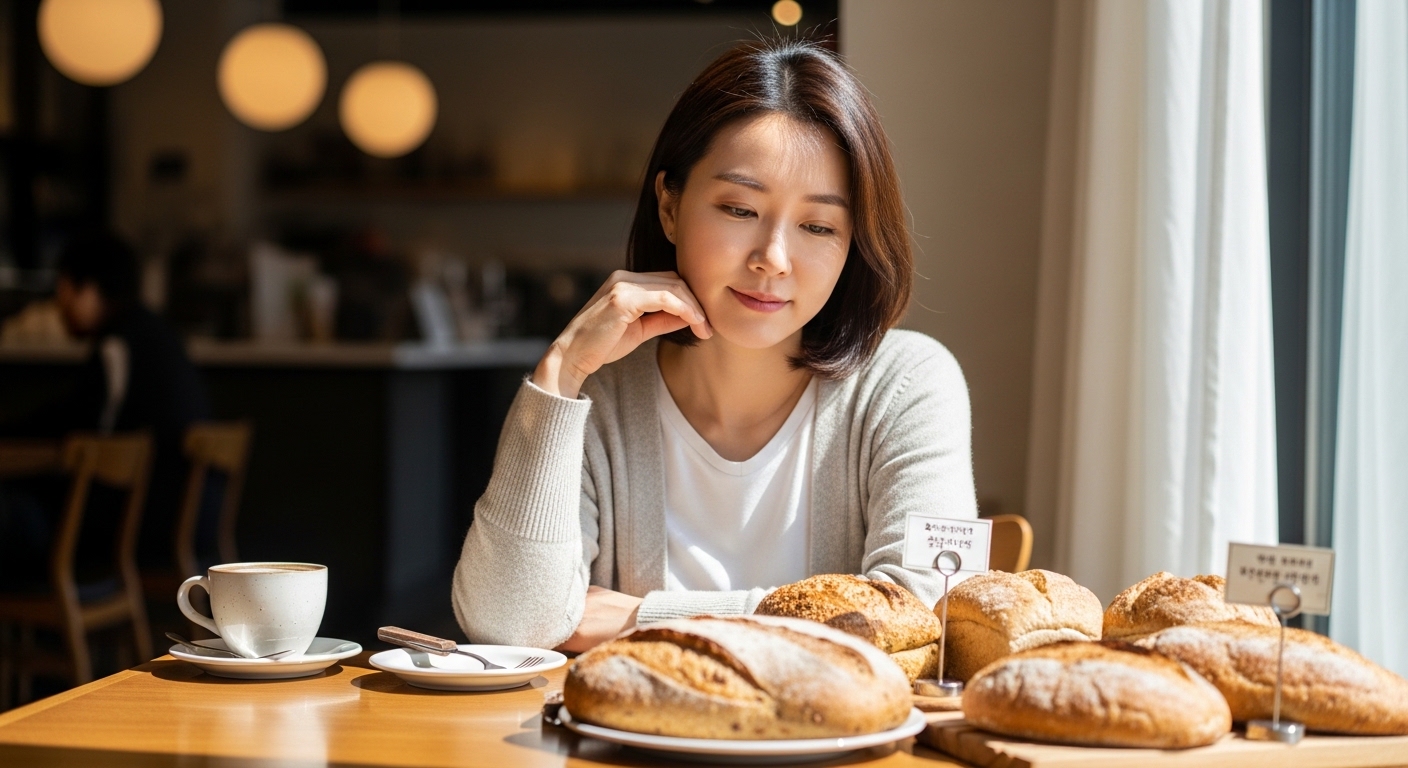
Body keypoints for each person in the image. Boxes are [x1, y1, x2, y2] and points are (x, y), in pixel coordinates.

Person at [452, 39, 978, 652]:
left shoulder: (908, 382)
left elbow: (920, 613)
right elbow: (507, 623)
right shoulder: (597, 389)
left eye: (817, 226)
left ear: (851, 242)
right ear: (670, 207)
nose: (772, 260)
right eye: (737, 208)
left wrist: (641, 617)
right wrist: (562, 372)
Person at [0, 231, 211, 583]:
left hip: (141, 527)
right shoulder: (157, 335)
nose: (59, 305)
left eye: (62, 289)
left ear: (88, 289)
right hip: (181, 523)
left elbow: (83, 425)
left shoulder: (120, 345)